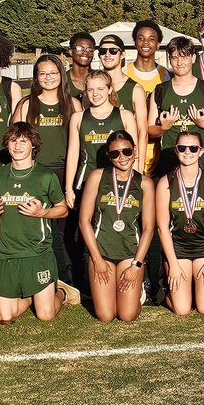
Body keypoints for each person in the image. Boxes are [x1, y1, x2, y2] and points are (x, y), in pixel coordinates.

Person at [0, 122, 78, 323]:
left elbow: (63, 210)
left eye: (23, 141)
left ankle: (61, 291)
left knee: (45, 315)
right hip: (7, 254)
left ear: (33, 145)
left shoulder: (45, 176)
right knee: (5, 316)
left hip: (37, 253)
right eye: (13, 141)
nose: (17, 146)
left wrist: (41, 212)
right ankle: (31, 297)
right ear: (7, 145)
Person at [78, 129, 154, 322]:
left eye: (126, 151)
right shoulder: (97, 177)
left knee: (127, 315)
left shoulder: (144, 183)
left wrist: (136, 265)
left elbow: (148, 228)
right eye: (115, 153)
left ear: (134, 151)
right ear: (109, 157)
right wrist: (97, 259)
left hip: (130, 254)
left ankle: (139, 292)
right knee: (105, 315)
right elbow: (84, 221)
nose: (122, 157)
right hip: (101, 252)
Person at [10, 55, 74, 284]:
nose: (48, 78)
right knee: (39, 227)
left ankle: (68, 278)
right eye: (43, 74)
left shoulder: (73, 103)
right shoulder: (26, 105)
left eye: (53, 73)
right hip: (35, 174)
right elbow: (14, 140)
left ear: (61, 75)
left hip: (64, 172)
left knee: (65, 230)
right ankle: (40, 277)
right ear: (36, 77)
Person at [156, 130, 204, 315]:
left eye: (193, 148)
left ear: (201, 151)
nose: (188, 152)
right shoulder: (165, 183)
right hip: (178, 249)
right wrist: (173, 264)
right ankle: (167, 291)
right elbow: (163, 228)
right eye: (182, 148)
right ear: (176, 151)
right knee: (182, 309)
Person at [148, 36, 204, 170]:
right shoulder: (159, 91)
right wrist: (163, 127)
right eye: (175, 57)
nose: (180, 62)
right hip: (170, 156)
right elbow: (150, 130)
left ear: (193, 58)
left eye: (184, 57)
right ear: (169, 60)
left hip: (201, 158)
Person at [65, 71, 137, 205]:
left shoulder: (125, 115)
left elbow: (133, 154)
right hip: (86, 180)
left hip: (118, 181)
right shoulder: (78, 118)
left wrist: (136, 183)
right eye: (90, 90)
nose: (95, 94)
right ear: (85, 91)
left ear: (110, 89)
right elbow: (73, 154)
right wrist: (69, 189)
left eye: (100, 89)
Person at [95, 34, 149, 166]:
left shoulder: (135, 89)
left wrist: (138, 166)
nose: (107, 55)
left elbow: (142, 132)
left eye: (113, 51)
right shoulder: (92, 89)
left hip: (124, 162)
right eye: (103, 51)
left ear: (122, 54)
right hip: (97, 159)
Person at [125, 19, 168, 173]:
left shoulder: (166, 75)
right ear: (135, 42)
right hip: (130, 154)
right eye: (141, 38)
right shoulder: (124, 74)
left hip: (160, 153)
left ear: (158, 44)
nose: (146, 42)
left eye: (152, 39)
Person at [65, 32, 96, 99]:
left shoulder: (99, 79)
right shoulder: (62, 80)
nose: (85, 52)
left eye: (89, 49)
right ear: (71, 52)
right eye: (80, 48)